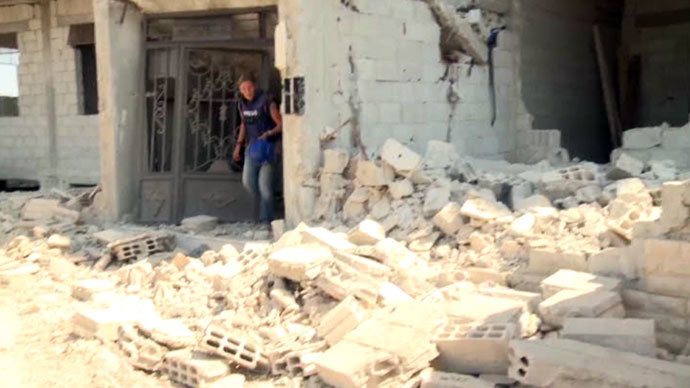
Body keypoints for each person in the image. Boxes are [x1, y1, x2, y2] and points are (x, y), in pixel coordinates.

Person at [234, 74, 282, 224]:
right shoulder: (241, 104)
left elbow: (281, 124)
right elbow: (244, 124)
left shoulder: (267, 102)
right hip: (252, 148)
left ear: (254, 86)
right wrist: (238, 146)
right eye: (243, 89)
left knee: (264, 186)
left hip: (269, 148)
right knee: (248, 182)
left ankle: (265, 221)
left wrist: (269, 133)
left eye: (249, 87)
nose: (247, 91)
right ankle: (270, 203)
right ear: (240, 90)